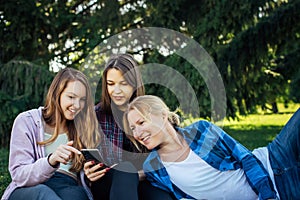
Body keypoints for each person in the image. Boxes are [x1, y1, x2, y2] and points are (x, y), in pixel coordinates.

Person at [123, 95, 300, 200]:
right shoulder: (153, 167)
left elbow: (245, 157)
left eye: (141, 122)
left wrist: (267, 196)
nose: (137, 133)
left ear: (162, 115)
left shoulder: (201, 130)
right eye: (133, 128)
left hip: (274, 159)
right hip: (286, 189)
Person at [83, 53, 175, 200]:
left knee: (159, 195)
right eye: (111, 84)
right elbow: (88, 158)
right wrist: (87, 172)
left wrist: (140, 174)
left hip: (145, 179)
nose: (116, 90)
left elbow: (168, 154)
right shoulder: (95, 116)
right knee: (125, 169)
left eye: (123, 83)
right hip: (110, 185)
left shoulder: (150, 111)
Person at [1, 68, 100, 200]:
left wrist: (90, 174)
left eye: (82, 99)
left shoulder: (84, 128)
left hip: (67, 185)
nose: (77, 105)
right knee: (43, 193)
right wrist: (51, 160)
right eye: (71, 97)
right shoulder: (27, 121)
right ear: (56, 94)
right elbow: (19, 175)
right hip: (30, 189)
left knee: (78, 195)